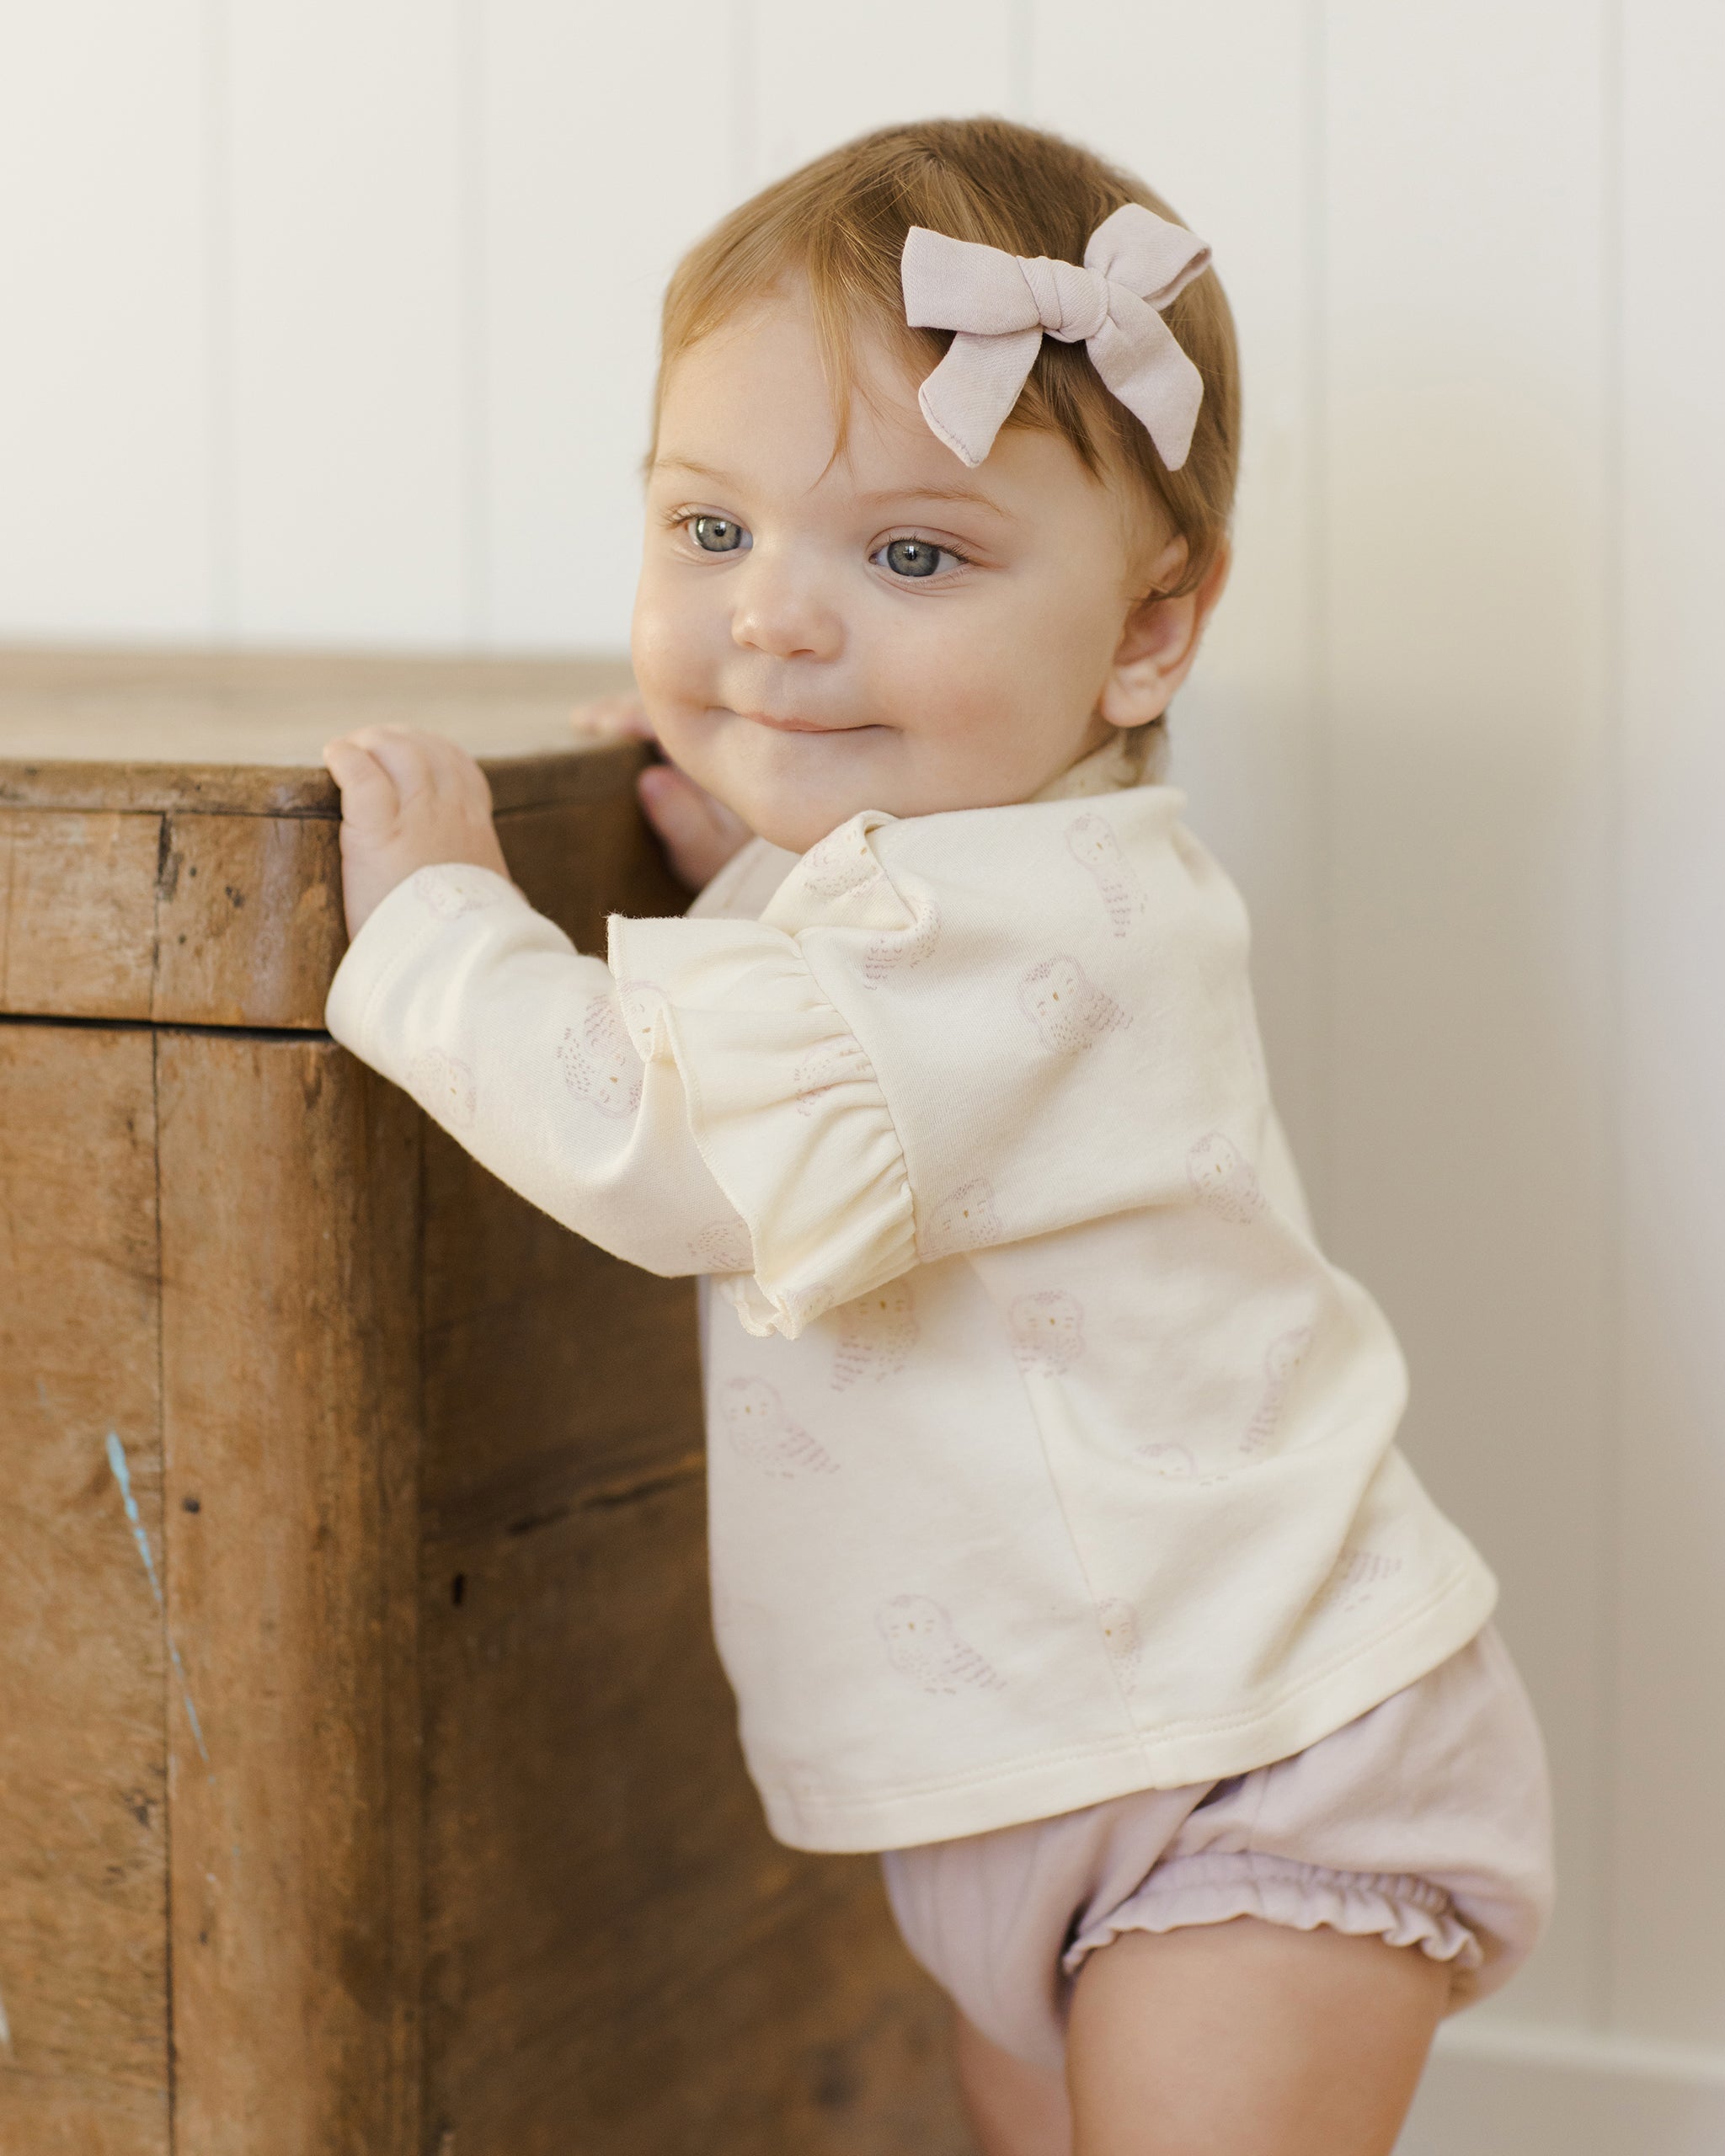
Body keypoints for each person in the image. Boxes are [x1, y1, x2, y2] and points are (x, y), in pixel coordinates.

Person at [321, 118, 1551, 2156]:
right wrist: (748, 863)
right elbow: (861, 1013)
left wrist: (448, 922)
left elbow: (671, 1141)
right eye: (710, 528)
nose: (774, 620)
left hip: (1244, 1766)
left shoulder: (1016, 921)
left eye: (910, 557)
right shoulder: (961, 884)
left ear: (1148, 627)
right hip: (1041, 1754)